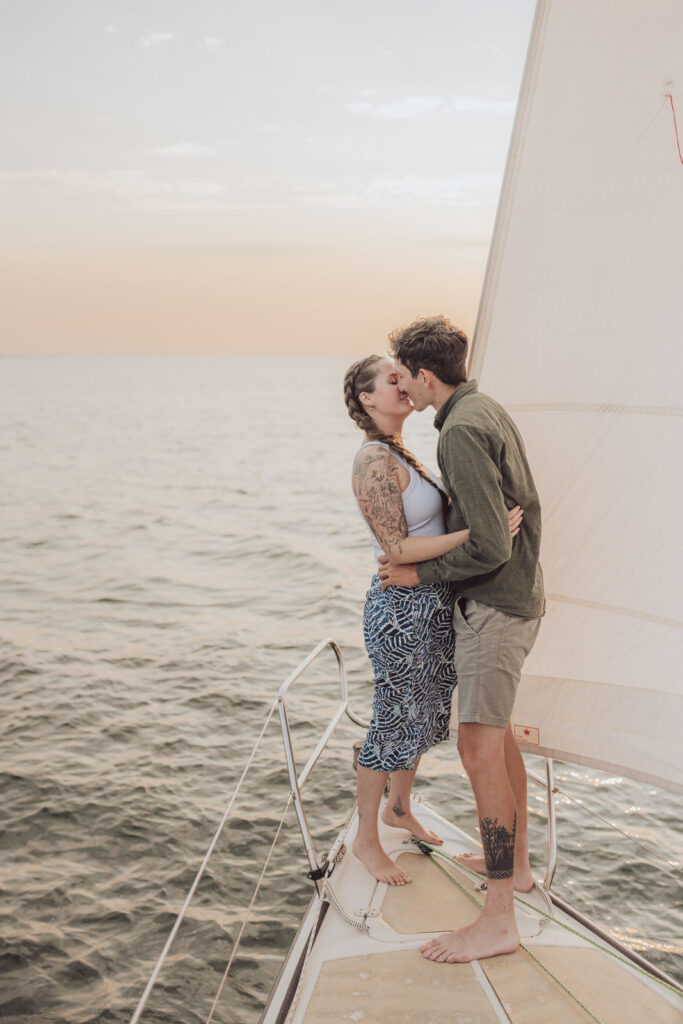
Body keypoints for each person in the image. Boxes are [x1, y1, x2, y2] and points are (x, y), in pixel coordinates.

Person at [380, 315, 545, 962]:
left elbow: (486, 544)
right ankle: (519, 869)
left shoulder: (461, 433)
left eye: (405, 377)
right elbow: (493, 528)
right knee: (497, 739)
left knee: (478, 750)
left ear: (425, 376)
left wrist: (417, 571)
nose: (404, 388)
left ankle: (498, 916)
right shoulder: (483, 409)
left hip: (494, 610)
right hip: (513, 601)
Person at [344, 354, 523, 887]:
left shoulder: (401, 452)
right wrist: (480, 534)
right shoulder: (372, 462)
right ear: (367, 399)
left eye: (402, 376)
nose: (402, 384)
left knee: (420, 715)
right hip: (400, 610)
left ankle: (399, 807)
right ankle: (366, 839)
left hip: (429, 601)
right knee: (391, 718)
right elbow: (397, 547)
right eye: (390, 379)